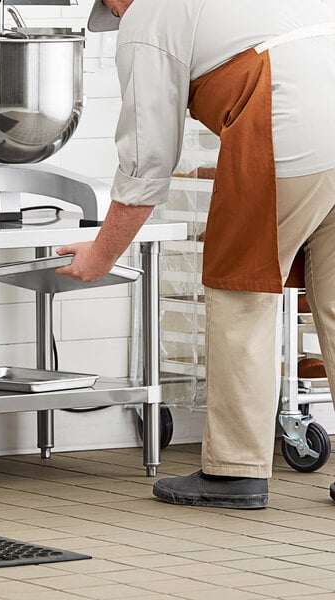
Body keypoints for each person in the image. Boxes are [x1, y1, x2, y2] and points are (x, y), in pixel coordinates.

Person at [56, 0, 335, 509]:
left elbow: (147, 160)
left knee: (240, 291)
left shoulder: (147, 19)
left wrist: (100, 254)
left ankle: (234, 471)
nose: (116, 19)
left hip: (287, 123)